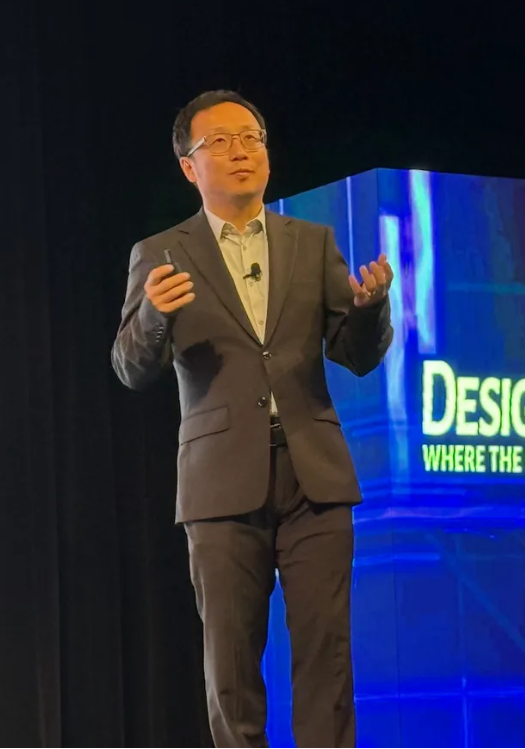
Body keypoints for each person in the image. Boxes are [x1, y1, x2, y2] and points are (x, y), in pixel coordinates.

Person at [111, 90, 394, 748]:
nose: (241, 152)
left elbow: (355, 356)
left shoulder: (310, 242)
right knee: (232, 669)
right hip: (220, 485)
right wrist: (153, 314)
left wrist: (369, 308)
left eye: (252, 139)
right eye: (221, 142)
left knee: (326, 659)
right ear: (189, 165)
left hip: (314, 478)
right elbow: (128, 365)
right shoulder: (160, 252)